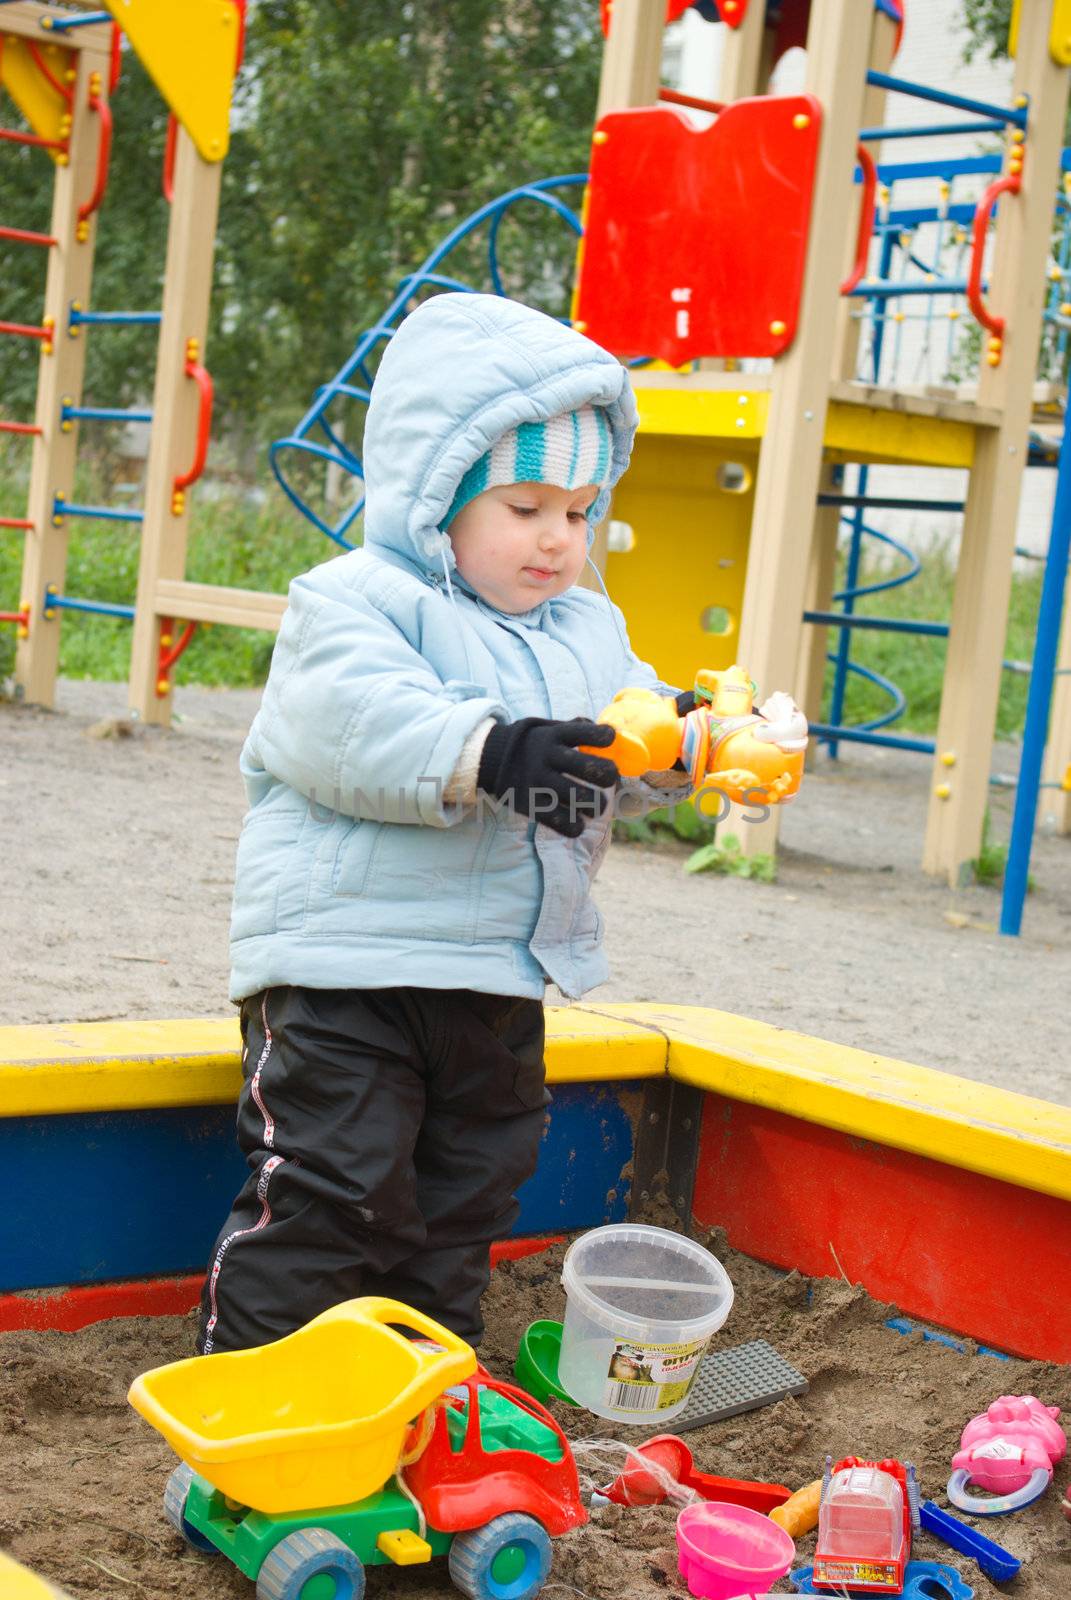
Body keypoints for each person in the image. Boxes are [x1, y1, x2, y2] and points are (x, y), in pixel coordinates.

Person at [196, 292, 699, 1357]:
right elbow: (352, 726)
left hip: (496, 980)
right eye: (524, 506)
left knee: (467, 1199)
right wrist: (498, 751)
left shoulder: (588, 629)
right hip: (347, 975)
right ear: (441, 498)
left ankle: (421, 1392)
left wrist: (694, 743)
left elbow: (629, 736)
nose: (557, 539)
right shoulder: (357, 600)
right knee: (335, 1190)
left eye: (577, 509)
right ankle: (249, 1401)